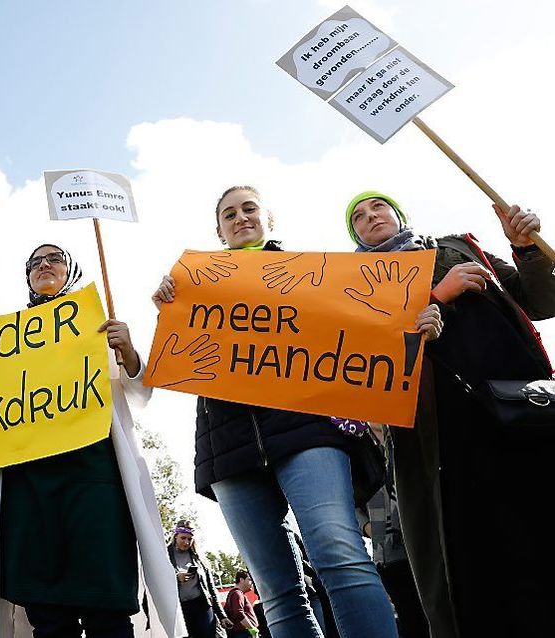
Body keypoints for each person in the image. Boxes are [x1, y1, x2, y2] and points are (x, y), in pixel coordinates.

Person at [151, 186, 440, 638]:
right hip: (228, 448)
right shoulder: (195, 284)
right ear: (219, 230)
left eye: (250, 208)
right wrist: (171, 308)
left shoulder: (317, 275)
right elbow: (186, 355)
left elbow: (368, 330)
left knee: (340, 556)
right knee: (274, 588)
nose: (241, 217)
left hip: (308, 434)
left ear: (269, 217)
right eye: (230, 214)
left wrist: (419, 320)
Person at [344, 191, 555, 637]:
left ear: (397, 213)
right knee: (473, 567)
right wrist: (438, 295)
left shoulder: (459, 246)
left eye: (377, 207)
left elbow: (541, 302)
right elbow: (365, 362)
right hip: (438, 445)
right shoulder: (356, 287)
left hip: (519, 418)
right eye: (358, 218)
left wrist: (528, 248)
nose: (370, 217)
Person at [0, 244, 183, 638]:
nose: (44, 265)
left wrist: (128, 352)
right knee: (48, 619)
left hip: (95, 484)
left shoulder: (96, 325)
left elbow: (139, 393)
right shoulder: (0, 340)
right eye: (34, 262)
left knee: (107, 611)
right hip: (29, 491)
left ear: (71, 271)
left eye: (54, 259)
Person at [354, 424, 427, 638]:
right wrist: (368, 528)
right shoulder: (357, 440)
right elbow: (349, 497)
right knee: (411, 618)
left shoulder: (405, 430)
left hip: (424, 538)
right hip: (389, 550)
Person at [166, 521, 231, 638]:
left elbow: (211, 589)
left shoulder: (198, 557)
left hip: (202, 606)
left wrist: (222, 616)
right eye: (183, 538)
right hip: (179, 609)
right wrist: (175, 578)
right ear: (175, 536)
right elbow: (158, 583)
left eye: (190, 539)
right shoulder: (165, 554)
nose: (186, 542)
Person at [224, 571, 258, 638]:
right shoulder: (237, 593)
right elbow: (238, 613)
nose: (252, 583)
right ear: (241, 580)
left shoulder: (237, 593)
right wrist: (252, 629)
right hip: (244, 634)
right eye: (249, 580)